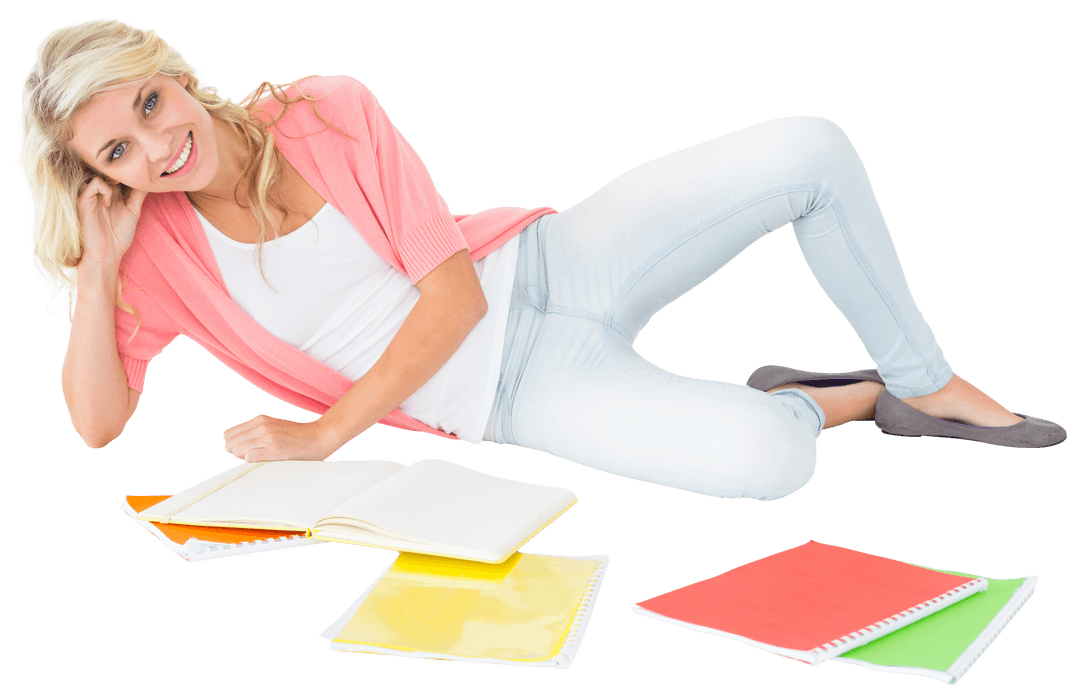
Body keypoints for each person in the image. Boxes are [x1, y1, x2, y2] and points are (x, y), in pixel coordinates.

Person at [19, 18, 1065, 504]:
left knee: (811, 149)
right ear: (96, 175)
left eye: (149, 105)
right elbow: (101, 426)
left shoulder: (322, 111)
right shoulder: (154, 252)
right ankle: (851, 396)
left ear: (170, 72)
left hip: (551, 263)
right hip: (517, 394)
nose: (157, 148)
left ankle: (928, 378)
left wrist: (325, 433)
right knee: (770, 460)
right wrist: (103, 266)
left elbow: (455, 288)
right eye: (118, 151)